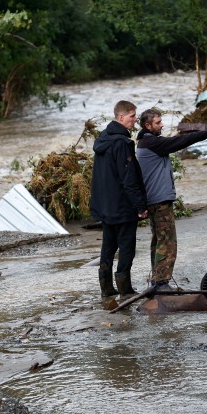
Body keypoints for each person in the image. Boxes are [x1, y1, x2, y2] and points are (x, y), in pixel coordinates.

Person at [136, 108, 207, 291]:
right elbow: (182, 140)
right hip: (159, 201)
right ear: (148, 125)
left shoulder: (145, 142)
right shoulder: (151, 142)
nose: (161, 124)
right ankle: (161, 283)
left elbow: (179, 139)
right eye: (158, 122)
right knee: (167, 242)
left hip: (153, 199)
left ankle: (157, 280)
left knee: (158, 240)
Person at [90, 100, 148, 298]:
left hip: (106, 206)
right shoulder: (122, 143)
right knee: (126, 248)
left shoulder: (103, 139)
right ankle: (125, 289)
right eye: (132, 116)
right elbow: (128, 178)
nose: (135, 119)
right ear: (121, 117)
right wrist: (140, 206)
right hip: (122, 207)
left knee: (108, 246)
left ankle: (106, 288)